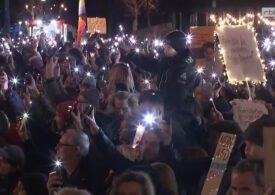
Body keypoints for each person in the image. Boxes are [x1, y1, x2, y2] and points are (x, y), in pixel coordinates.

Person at [127, 30, 201, 115]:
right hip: (164, 110)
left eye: (167, 46)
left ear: (176, 48)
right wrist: (131, 53)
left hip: (178, 115)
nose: (164, 48)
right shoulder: (167, 62)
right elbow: (149, 64)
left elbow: (179, 97)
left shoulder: (185, 69)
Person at [47, 129, 106, 195]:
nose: (56, 147)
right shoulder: (59, 173)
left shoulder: (93, 178)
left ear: (76, 150)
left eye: (61, 144)